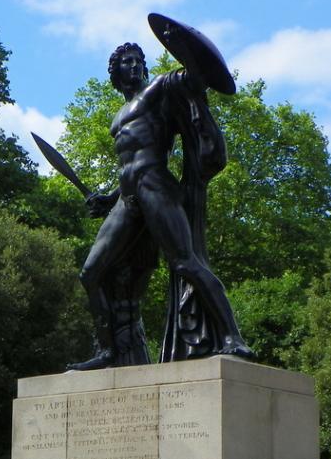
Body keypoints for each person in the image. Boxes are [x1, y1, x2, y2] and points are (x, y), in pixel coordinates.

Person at [70, 37, 255, 369]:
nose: (135, 64)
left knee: (186, 262)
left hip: (156, 186)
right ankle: (107, 351)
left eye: (138, 59)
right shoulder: (119, 116)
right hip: (127, 197)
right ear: (115, 73)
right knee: (90, 273)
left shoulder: (157, 90)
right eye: (126, 61)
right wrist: (108, 197)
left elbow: (193, 78)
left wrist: (182, 46)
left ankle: (232, 336)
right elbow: (127, 163)